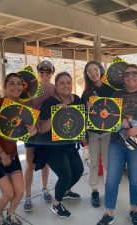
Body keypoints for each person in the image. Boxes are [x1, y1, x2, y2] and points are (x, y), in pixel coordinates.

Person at [96, 64, 137, 225]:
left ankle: (134, 210)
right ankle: (109, 213)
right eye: (127, 74)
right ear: (123, 78)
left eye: (134, 73)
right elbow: (105, 114)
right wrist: (94, 109)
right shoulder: (116, 94)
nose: (130, 76)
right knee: (112, 179)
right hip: (116, 143)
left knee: (135, 179)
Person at [0, 73, 37, 225]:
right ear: (5, 87)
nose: (16, 87)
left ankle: (11, 214)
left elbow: (22, 132)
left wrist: (32, 132)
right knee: (8, 193)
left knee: (19, 192)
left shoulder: (23, 107)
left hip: (11, 155)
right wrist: (2, 154)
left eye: (19, 84)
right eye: (12, 83)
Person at [36, 72, 84, 217]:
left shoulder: (76, 99)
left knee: (79, 170)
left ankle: (66, 191)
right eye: (61, 83)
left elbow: (82, 120)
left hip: (70, 145)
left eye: (68, 82)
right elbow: (43, 128)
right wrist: (56, 113)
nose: (66, 86)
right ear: (56, 86)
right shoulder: (49, 102)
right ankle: (56, 204)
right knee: (65, 175)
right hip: (53, 147)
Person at [81, 61, 115, 208]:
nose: (93, 73)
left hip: (107, 132)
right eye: (90, 71)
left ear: (101, 70)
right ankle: (94, 190)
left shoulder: (111, 90)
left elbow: (116, 111)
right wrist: (86, 108)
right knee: (93, 162)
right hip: (93, 132)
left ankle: (109, 190)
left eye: (95, 69)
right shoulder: (87, 92)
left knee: (108, 162)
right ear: (87, 75)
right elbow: (81, 114)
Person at [23, 60, 55, 211]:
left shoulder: (55, 89)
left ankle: (45, 189)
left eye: (47, 71)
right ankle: (27, 196)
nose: (44, 74)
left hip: (46, 131)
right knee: (30, 164)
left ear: (52, 72)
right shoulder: (31, 88)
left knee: (45, 162)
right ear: (38, 72)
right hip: (31, 130)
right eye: (41, 71)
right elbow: (23, 106)